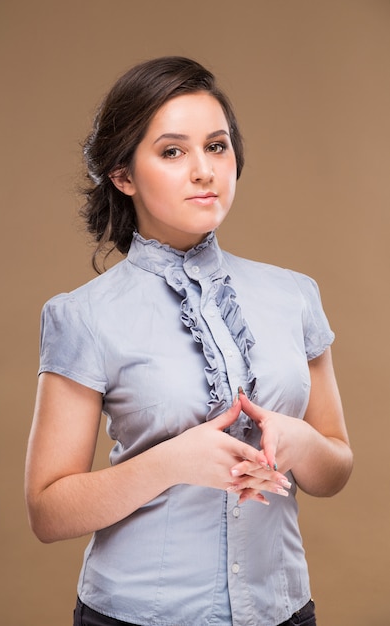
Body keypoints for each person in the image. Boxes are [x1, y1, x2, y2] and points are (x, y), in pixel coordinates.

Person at [25, 56, 353, 626]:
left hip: (283, 611)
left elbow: (336, 468)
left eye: (218, 146)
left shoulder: (295, 295)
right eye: (173, 151)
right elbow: (48, 512)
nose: (204, 170)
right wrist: (171, 462)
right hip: (136, 616)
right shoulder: (82, 316)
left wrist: (296, 442)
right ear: (123, 176)